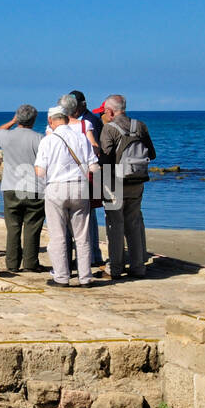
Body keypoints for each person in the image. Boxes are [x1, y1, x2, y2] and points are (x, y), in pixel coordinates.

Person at [35, 106, 100, 287]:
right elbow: (94, 167)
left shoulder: (47, 141)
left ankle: (62, 277)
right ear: (66, 118)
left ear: (51, 121)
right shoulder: (81, 137)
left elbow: (40, 172)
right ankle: (85, 277)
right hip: (80, 187)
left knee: (58, 235)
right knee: (82, 236)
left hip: (56, 188)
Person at [97, 94, 157, 278]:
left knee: (115, 226)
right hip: (138, 181)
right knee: (133, 222)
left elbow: (105, 158)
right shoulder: (140, 125)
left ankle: (115, 268)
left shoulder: (109, 129)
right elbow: (152, 154)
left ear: (109, 111)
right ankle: (138, 267)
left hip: (116, 182)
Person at [58, 92, 108, 276]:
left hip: (88, 173)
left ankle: (92, 255)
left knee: (88, 215)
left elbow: (93, 148)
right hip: (89, 172)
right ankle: (90, 255)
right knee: (86, 215)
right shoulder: (86, 120)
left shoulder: (88, 122)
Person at [0, 104, 45, 272]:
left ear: (17, 119)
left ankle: (12, 264)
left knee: (13, 227)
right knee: (32, 227)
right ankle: (30, 263)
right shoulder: (39, 138)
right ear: (34, 120)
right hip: (34, 187)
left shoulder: (6, 136)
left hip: (11, 187)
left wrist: (13, 121)